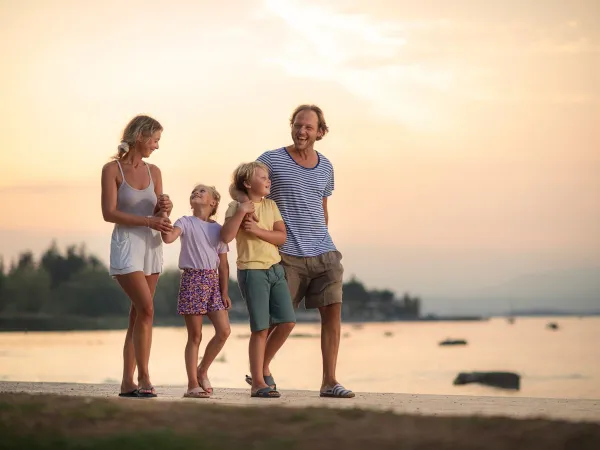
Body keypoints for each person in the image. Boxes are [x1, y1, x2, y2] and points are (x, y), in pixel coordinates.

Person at [241, 105, 354, 398]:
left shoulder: (326, 166)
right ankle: (260, 373)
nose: (301, 131)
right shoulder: (271, 160)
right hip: (286, 254)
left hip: (324, 252)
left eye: (308, 127)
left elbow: (322, 206)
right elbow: (248, 187)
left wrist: (321, 235)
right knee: (281, 320)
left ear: (320, 132)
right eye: (297, 125)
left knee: (332, 315)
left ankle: (329, 381)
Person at [101, 115, 173, 398]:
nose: (156, 146)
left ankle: (126, 382)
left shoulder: (155, 171)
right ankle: (144, 376)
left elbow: (160, 215)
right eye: (154, 139)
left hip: (152, 246)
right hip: (128, 245)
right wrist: (148, 221)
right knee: (147, 310)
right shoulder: (112, 169)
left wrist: (165, 208)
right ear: (140, 136)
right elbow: (109, 213)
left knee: (138, 316)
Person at [221, 162, 296, 398]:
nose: (268, 180)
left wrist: (256, 230)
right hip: (252, 272)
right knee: (260, 329)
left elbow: (281, 237)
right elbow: (226, 236)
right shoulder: (235, 207)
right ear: (247, 183)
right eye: (262, 177)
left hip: (275, 269)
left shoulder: (271, 205)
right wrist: (243, 211)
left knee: (287, 322)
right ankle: (258, 384)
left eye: (268, 177)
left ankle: (261, 369)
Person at [161, 184, 232, 398]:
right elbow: (168, 238)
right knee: (195, 335)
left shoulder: (219, 229)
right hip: (193, 279)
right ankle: (192, 384)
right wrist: (165, 213)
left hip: (212, 281)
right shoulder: (185, 222)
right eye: (193, 191)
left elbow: (224, 265)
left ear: (213, 203)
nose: (196, 193)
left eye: (202, 191)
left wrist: (224, 292)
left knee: (224, 331)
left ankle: (202, 370)